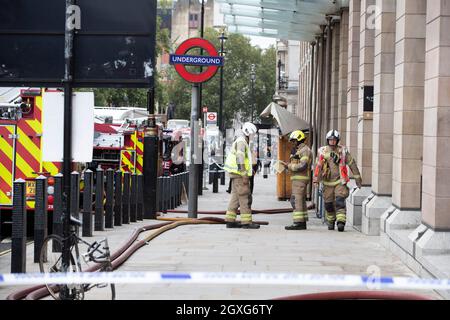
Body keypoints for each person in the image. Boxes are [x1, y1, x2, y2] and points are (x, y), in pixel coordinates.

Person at [313, 130, 362, 232]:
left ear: (337, 140)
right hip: (327, 183)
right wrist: (316, 180)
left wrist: (358, 178)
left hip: (340, 181)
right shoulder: (322, 151)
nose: (332, 142)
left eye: (334, 140)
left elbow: (352, 164)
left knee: (340, 201)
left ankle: (341, 222)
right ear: (328, 140)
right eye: (330, 140)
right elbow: (318, 167)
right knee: (328, 204)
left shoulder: (343, 151)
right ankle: (331, 221)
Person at [223, 122, 260, 229]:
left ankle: (230, 220)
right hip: (239, 175)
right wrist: (244, 174)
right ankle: (246, 222)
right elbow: (240, 158)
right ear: (248, 132)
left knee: (235, 197)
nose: (254, 136)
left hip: (236, 174)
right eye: (253, 134)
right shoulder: (242, 142)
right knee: (245, 197)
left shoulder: (241, 141)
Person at [284, 130, 313, 231]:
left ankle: (298, 223)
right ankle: (302, 222)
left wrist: (290, 166)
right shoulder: (300, 150)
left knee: (296, 200)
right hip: (298, 179)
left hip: (300, 179)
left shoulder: (305, 150)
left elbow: (303, 165)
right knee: (300, 200)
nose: (293, 143)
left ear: (299, 139)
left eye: (294, 141)